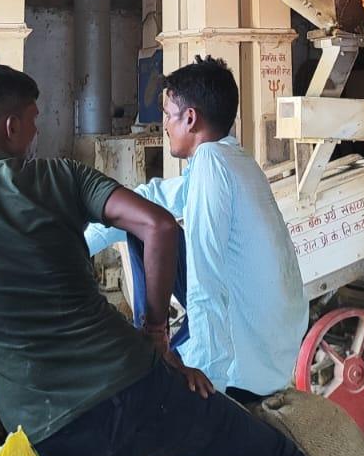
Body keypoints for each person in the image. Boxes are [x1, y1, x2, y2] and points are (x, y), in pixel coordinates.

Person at [0, 64, 318, 456]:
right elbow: (157, 224)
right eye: (33, 121)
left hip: (48, 430)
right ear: (11, 127)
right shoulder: (62, 175)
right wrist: (158, 339)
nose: (37, 133)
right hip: (134, 387)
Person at [84, 56, 306, 402]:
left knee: (148, 229)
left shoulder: (211, 162)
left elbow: (207, 276)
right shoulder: (233, 157)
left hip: (248, 362)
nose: (165, 126)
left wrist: (209, 377)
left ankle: (151, 344)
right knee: (144, 218)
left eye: (167, 115)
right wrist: (78, 244)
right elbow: (152, 198)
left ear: (190, 118)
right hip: (274, 346)